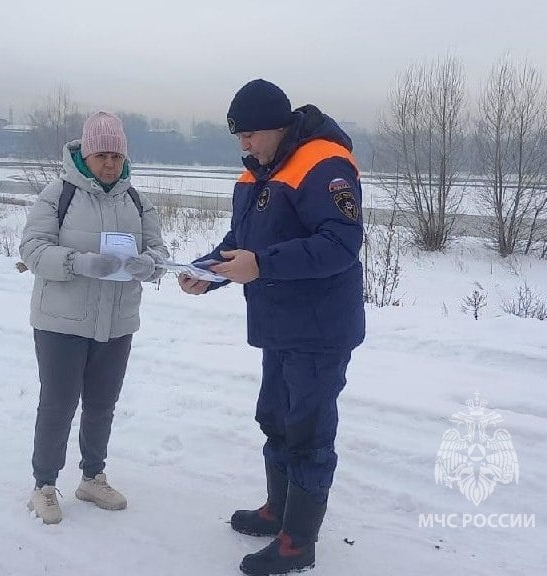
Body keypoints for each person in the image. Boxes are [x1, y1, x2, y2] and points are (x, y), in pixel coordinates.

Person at [178, 79, 365, 575]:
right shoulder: (257, 173)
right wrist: (207, 272)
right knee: (276, 418)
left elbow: (340, 245)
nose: (243, 145)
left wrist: (261, 265)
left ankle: (298, 541)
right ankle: (278, 510)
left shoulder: (325, 164)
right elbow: (242, 240)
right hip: (278, 325)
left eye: (249, 135)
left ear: (277, 127)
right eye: (238, 137)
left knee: (307, 430)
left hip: (320, 328)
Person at [19, 111, 168, 524]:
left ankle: (92, 478)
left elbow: (160, 254)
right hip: (61, 323)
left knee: (102, 405)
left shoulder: (138, 200)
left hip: (117, 324)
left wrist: (148, 264)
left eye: (116, 156)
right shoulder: (58, 194)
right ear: (85, 154)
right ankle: (44, 486)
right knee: (58, 405)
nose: (109, 164)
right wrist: (79, 263)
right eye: (101, 154)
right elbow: (32, 249)